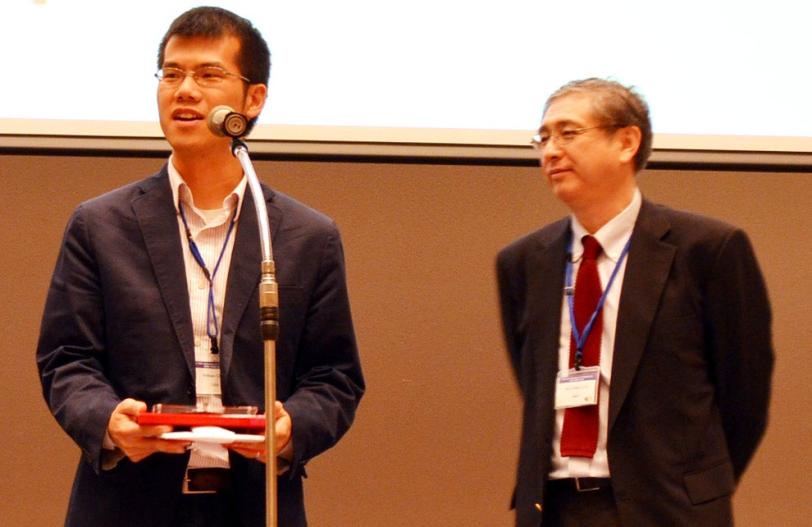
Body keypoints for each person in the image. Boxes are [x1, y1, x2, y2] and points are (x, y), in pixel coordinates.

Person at [36, 7, 364, 527]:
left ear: (252, 99)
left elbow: (335, 377)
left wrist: (293, 425)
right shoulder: (99, 225)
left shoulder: (306, 236)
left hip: (253, 503)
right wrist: (106, 419)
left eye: (208, 75)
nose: (184, 90)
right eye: (171, 74)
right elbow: (66, 359)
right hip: (127, 504)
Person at [496, 78, 773, 526]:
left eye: (568, 133)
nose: (550, 151)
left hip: (671, 509)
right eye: (542, 138)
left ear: (626, 142)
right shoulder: (522, 262)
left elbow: (745, 397)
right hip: (555, 508)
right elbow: (533, 387)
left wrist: (695, 484)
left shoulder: (708, 249)